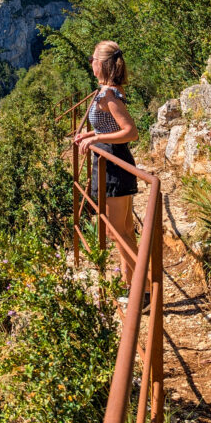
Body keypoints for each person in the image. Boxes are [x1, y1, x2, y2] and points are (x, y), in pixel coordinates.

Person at [74, 40, 148, 307]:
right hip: (113, 164)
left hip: (114, 167)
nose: (90, 63)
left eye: (93, 59)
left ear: (101, 64)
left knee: (120, 233)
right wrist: (92, 134)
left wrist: (94, 141)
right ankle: (134, 286)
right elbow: (109, 126)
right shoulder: (107, 91)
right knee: (125, 230)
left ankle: (145, 290)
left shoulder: (108, 95)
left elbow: (130, 131)